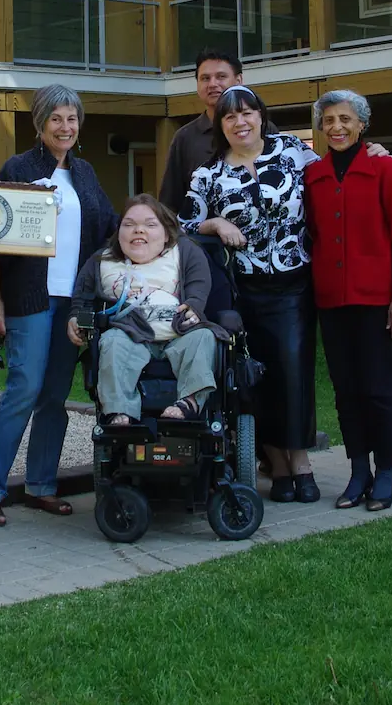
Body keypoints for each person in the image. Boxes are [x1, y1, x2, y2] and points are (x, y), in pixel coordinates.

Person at [0, 86, 115, 527]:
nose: (65, 127)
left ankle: (41, 486)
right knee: (24, 387)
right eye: (56, 119)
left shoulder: (86, 174)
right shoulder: (18, 169)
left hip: (72, 301)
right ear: (39, 123)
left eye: (72, 119)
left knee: (54, 396)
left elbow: (110, 229)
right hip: (29, 298)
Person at [180, 85, 322, 505]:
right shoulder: (209, 175)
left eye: (247, 113)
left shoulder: (293, 151)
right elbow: (185, 225)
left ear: (261, 116)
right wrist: (217, 224)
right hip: (244, 289)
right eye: (229, 117)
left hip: (294, 284)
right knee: (254, 379)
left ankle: (301, 460)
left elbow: (336, 179)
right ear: (220, 126)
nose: (240, 122)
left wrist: (375, 151)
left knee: (293, 372)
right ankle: (276, 463)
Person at [305, 90, 392, 513]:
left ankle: (385, 471)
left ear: (362, 124)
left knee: (378, 389)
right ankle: (358, 472)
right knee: (346, 390)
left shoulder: (384, 168)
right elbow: (314, 232)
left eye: (345, 119)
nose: (337, 127)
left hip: (376, 300)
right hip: (332, 300)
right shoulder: (313, 175)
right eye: (329, 120)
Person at [68, 196, 219, 426]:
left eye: (150, 224)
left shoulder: (184, 250)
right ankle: (120, 410)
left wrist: (194, 304)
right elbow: (83, 294)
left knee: (203, 337)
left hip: (178, 332)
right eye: (129, 225)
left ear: (167, 233)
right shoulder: (102, 260)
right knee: (111, 342)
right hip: (130, 333)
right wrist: (76, 317)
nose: (138, 230)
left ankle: (188, 402)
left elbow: (200, 281)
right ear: (119, 233)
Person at [159, 49, 244, 214]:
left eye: (221, 76)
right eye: (205, 78)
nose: (212, 84)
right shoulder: (185, 138)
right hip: (201, 237)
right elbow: (169, 205)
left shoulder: (262, 130)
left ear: (238, 80)